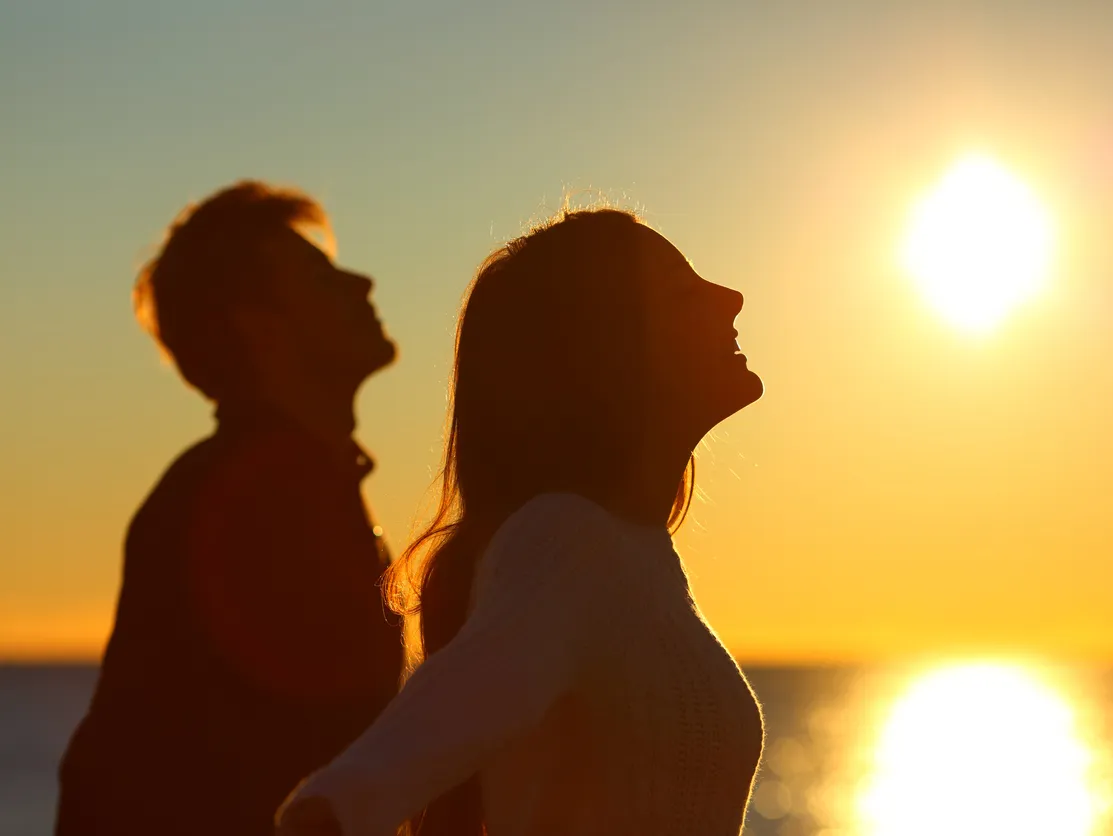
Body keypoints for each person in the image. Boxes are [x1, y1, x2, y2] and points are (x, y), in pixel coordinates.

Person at [276, 208, 765, 836]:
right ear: (609, 350)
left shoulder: (632, 555)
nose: (730, 298)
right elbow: (435, 726)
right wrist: (331, 813)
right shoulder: (568, 542)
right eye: (680, 294)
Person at [56, 181, 405, 836]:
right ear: (261, 329)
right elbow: (319, 749)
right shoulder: (253, 496)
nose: (361, 283)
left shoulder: (282, 481)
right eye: (321, 279)